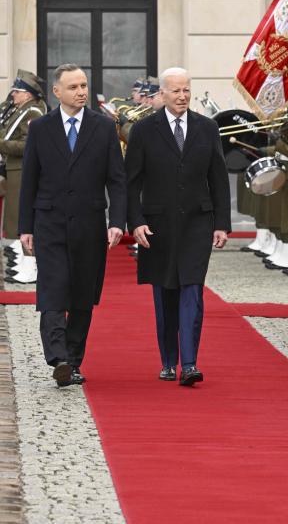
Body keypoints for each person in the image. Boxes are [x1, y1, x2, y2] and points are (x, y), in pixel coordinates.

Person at [17, 64, 126, 387]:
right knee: (52, 291)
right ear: (57, 92)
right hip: (49, 222)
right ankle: (59, 357)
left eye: (84, 85)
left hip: (90, 225)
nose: (81, 92)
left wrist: (117, 221)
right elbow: (29, 182)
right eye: (74, 87)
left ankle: (74, 361)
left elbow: (116, 181)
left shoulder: (104, 128)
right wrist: (25, 228)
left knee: (81, 294)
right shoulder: (40, 128)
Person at [125, 67, 231, 386]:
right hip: (157, 225)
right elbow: (131, 183)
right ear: (163, 94)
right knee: (165, 293)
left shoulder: (207, 127)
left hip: (198, 222)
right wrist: (136, 223)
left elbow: (219, 180)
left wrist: (222, 224)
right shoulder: (144, 130)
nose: (182, 96)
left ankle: (189, 363)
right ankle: (168, 361)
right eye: (176, 91)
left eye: (186, 90)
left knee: (192, 290)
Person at [1, 70, 48, 285]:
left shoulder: (33, 113)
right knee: (15, 219)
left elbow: (28, 145)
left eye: (18, 92)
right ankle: (23, 262)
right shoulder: (23, 109)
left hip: (22, 169)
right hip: (14, 168)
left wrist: (1, 145)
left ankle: (31, 266)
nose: (13, 95)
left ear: (28, 94)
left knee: (23, 220)